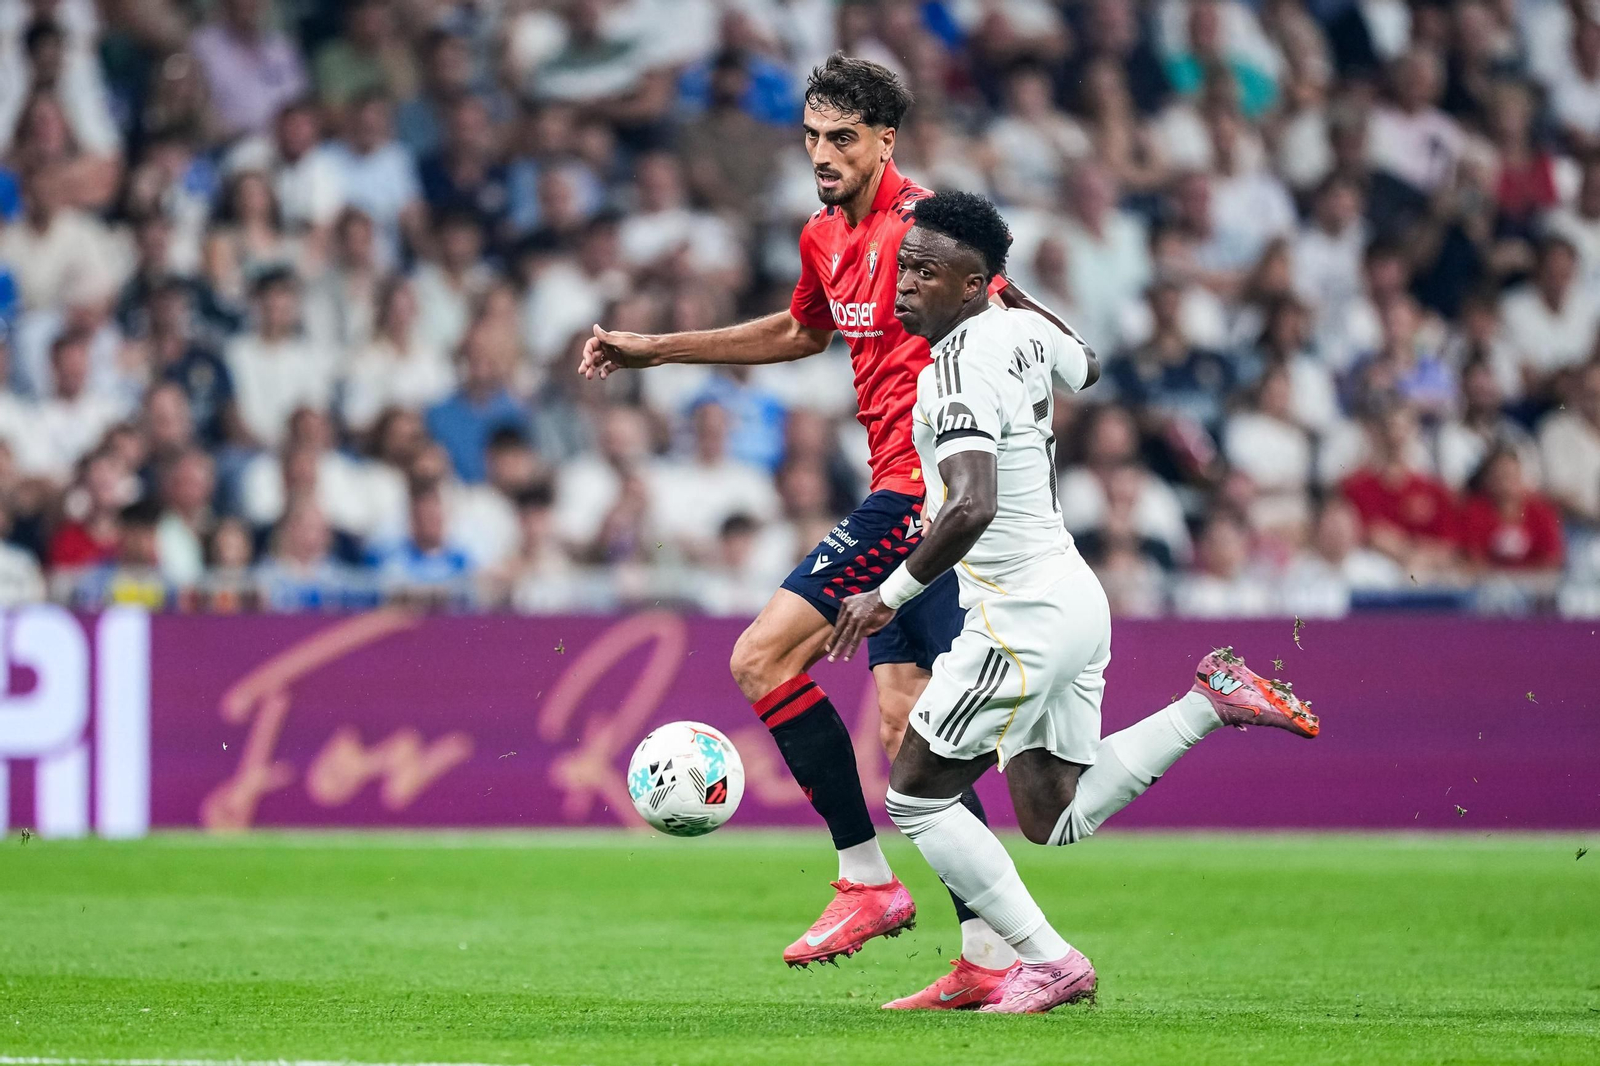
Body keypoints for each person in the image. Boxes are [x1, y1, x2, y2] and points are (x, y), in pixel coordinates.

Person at [580, 55, 1055, 985]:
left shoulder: (926, 231)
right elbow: (803, 331)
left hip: (924, 491)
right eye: (812, 136)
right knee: (906, 728)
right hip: (898, 483)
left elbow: (1010, 319)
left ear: (887, 139)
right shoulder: (821, 237)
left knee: (760, 658)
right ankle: (990, 957)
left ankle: (864, 876)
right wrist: (659, 352)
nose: (823, 153)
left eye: (843, 137)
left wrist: (1019, 437)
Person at [827, 189, 1319, 1014]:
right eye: (903, 266)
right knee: (1051, 815)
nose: (904, 283)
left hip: (1018, 617)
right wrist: (1018, 298)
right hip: (1074, 598)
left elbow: (971, 502)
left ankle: (1051, 962)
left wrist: (891, 592)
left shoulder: (955, 366)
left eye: (926, 271)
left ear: (974, 282)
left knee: (914, 796)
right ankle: (1209, 703)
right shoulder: (1020, 328)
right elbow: (1087, 363)